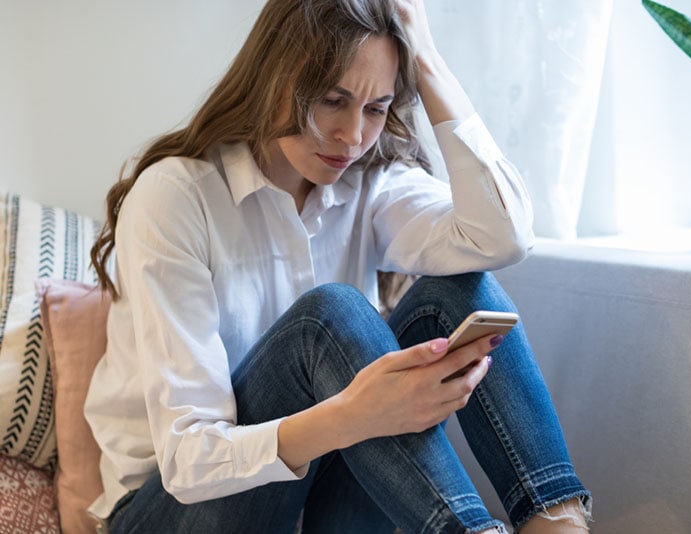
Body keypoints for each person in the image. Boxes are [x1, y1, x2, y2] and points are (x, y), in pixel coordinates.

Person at [85, 0, 591, 532]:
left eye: (377, 108)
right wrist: (355, 414)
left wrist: (431, 61)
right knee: (327, 317)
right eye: (333, 100)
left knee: (462, 291)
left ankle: (557, 520)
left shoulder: (368, 186)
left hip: (320, 494)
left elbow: (503, 238)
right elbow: (189, 463)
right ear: (274, 80)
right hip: (170, 509)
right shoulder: (177, 196)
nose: (353, 135)